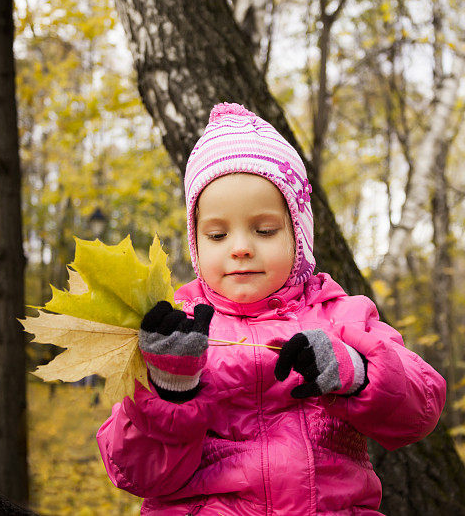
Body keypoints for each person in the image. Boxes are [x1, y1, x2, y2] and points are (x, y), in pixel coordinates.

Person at [97, 102, 446, 515]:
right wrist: (170, 390)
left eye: (264, 230)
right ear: (196, 243)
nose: (240, 247)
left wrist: (356, 371)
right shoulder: (177, 332)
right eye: (217, 234)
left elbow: (420, 409)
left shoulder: (340, 315)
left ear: (299, 233)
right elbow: (135, 473)